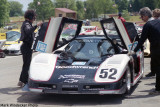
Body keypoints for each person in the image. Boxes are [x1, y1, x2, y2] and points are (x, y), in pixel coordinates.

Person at [133, 7, 160, 94]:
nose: (141, 19)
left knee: (158, 68)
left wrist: (134, 51)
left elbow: (142, 40)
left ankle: (158, 89)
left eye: (141, 17)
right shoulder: (158, 21)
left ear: (145, 16)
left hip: (157, 48)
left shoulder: (147, 25)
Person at [17, 10, 42, 87]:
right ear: (30, 17)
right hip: (26, 46)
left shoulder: (27, 24)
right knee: (27, 65)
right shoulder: (26, 24)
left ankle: (22, 81)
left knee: (26, 64)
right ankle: (24, 81)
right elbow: (28, 31)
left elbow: (31, 34)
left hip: (27, 46)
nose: (34, 19)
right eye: (34, 18)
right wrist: (36, 25)